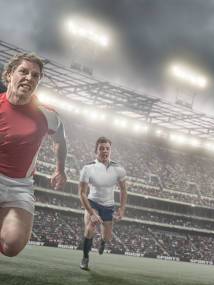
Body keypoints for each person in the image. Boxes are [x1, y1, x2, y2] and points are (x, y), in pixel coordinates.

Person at [0, 52, 67, 257]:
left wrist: (60, 169)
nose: (29, 77)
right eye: (24, 71)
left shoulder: (47, 115)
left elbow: (61, 142)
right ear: (10, 74)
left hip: (20, 186)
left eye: (35, 75)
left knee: (12, 246)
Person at [78, 137, 127, 270]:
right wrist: (91, 212)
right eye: (101, 148)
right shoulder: (88, 168)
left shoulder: (119, 169)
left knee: (107, 237)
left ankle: (103, 242)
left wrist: (122, 209)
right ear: (96, 151)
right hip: (93, 202)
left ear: (110, 150)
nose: (105, 151)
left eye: (107, 148)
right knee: (90, 228)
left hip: (109, 206)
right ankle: (85, 257)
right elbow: (82, 193)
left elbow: (123, 190)